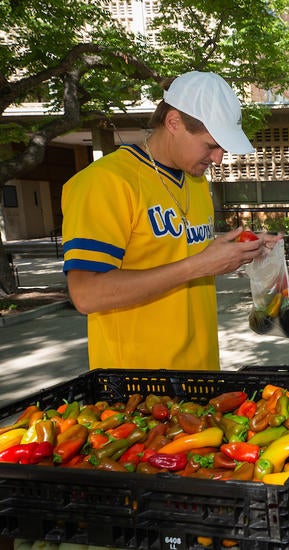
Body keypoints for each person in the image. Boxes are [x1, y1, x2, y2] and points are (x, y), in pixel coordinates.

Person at [62, 71, 274, 371]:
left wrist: (239, 249)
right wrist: (199, 265)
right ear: (173, 122)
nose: (218, 159)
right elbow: (85, 294)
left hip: (202, 373)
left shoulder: (196, 183)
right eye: (211, 145)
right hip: (137, 388)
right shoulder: (104, 182)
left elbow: (175, 249)